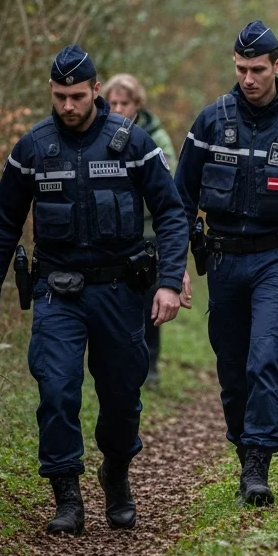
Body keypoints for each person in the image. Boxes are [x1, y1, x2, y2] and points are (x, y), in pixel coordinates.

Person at [0, 45, 190, 536]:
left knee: (121, 396)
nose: (68, 106)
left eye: (76, 96)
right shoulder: (32, 148)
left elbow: (172, 212)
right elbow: (3, 223)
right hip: (58, 292)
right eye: (59, 97)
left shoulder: (133, 143)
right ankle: (67, 495)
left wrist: (168, 282)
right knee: (56, 388)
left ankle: (116, 471)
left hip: (120, 292)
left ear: (97, 91)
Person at [174, 21, 278, 507]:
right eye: (241, 69)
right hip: (225, 260)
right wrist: (175, 265)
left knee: (264, 356)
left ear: (277, 66)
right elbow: (179, 198)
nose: (249, 79)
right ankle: (243, 443)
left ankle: (258, 463)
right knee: (232, 370)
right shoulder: (210, 122)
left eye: (258, 69)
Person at [104, 73, 178, 387]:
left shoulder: (156, 138)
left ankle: (152, 364)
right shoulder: (98, 137)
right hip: (110, 237)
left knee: (150, 300)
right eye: (113, 102)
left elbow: (166, 187)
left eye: (125, 102)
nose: (119, 108)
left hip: (148, 235)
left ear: (138, 105)